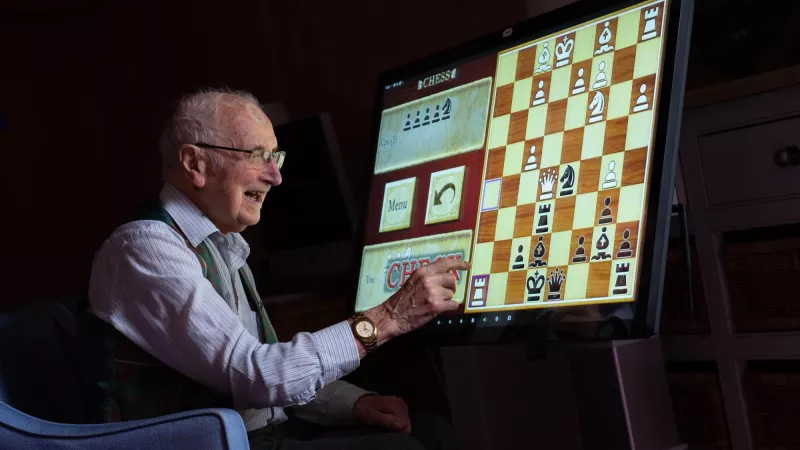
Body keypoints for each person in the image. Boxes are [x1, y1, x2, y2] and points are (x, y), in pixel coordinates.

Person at [80, 88, 469, 450]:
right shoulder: (146, 248)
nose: (275, 176)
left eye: (275, 157)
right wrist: (387, 318)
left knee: (428, 426)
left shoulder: (222, 244)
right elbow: (257, 376)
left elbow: (265, 366)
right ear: (195, 164)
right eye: (256, 155)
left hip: (266, 433)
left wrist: (353, 403)